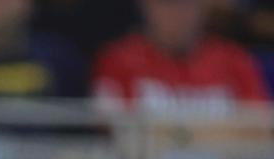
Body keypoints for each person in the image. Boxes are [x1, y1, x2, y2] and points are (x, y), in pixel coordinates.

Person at [93, 0, 270, 116]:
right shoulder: (118, 61)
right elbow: (110, 132)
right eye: (167, 4)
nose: (177, 15)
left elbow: (257, 129)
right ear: (146, 6)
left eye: (187, 4)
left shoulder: (235, 61)